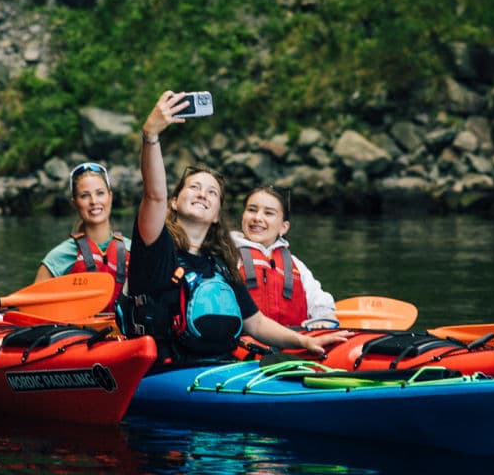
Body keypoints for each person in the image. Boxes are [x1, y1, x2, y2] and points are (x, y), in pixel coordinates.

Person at [127, 90, 325, 363]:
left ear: (218, 213)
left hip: (221, 365)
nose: (202, 194)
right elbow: (153, 195)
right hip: (168, 371)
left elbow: (255, 324)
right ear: (173, 202)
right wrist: (150, 136)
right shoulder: (155, 247)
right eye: (194, 187)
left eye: (212, 193)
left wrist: (303, 341)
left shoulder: (220, 263)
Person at [230, 185, 339, 330]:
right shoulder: (228, 256)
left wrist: (325, 318)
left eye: (268, 213)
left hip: (294, 341)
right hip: (246, 342)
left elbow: (319, 301)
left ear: (283, 227)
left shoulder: (296, 265)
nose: (257, 218)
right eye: (252, 210)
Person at [34, 160, 131, 296]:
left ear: (110, 197)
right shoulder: (59, 257)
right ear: (75, 203)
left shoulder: (133, 250)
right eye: (85, 196)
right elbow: (33, 307)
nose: (93, 201)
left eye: (100, 193)